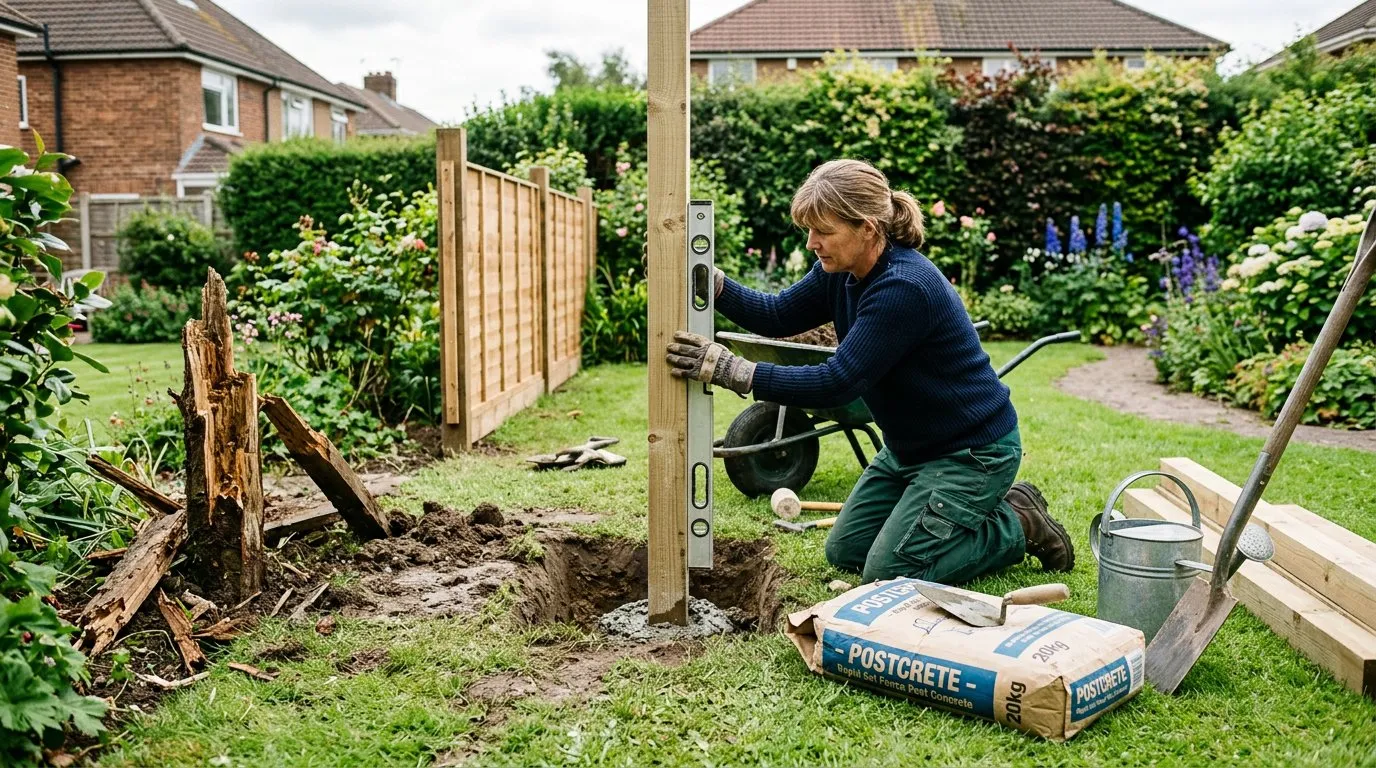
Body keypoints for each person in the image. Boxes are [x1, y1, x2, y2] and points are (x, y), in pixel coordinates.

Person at [664, 159, 1073, 585]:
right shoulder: (840, 271)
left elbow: (838, 380)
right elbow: (778, 314)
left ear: (868, 228)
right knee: (846, 551)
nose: (812, 242)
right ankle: (941, 515)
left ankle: (1017, 523)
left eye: (823, 231)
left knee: (890, 571)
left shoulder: (903, 286)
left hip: (970, 454)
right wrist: (712, 283)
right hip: (908, 449)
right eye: (809, 229)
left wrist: (733, 370)